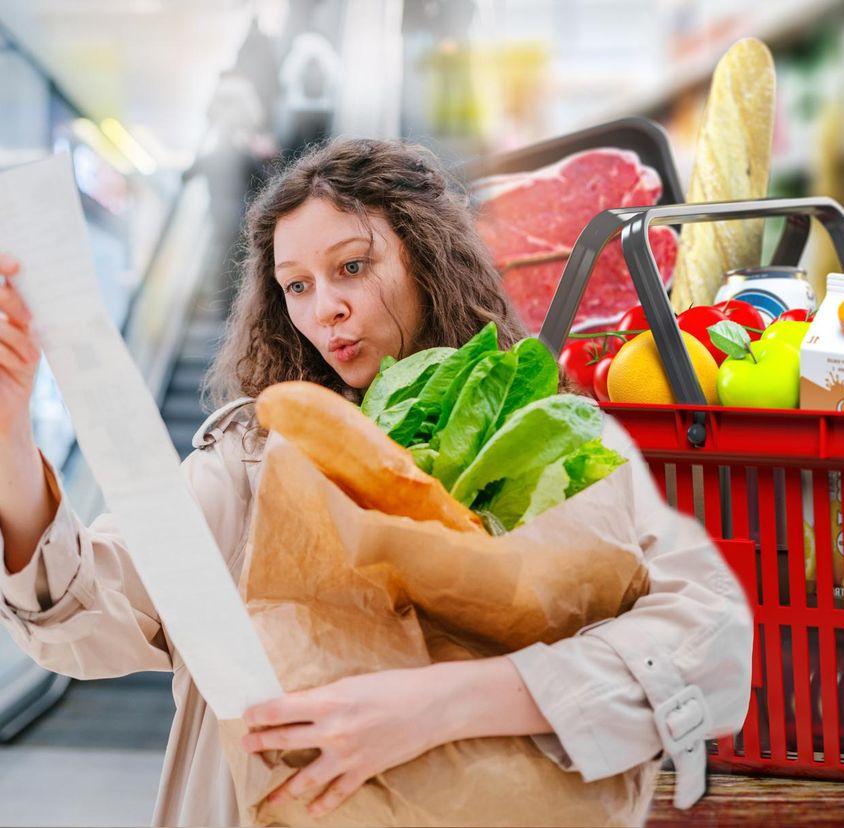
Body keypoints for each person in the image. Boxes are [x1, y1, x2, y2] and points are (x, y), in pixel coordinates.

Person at [0, 138, 753, 827]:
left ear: (426, 259)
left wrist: (438, 706)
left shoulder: (547, 441)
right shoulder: (249, 465)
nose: (324, 308)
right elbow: (84, 614)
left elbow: (708, 638)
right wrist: (8, 434)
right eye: (295, 286)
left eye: (351, 267)